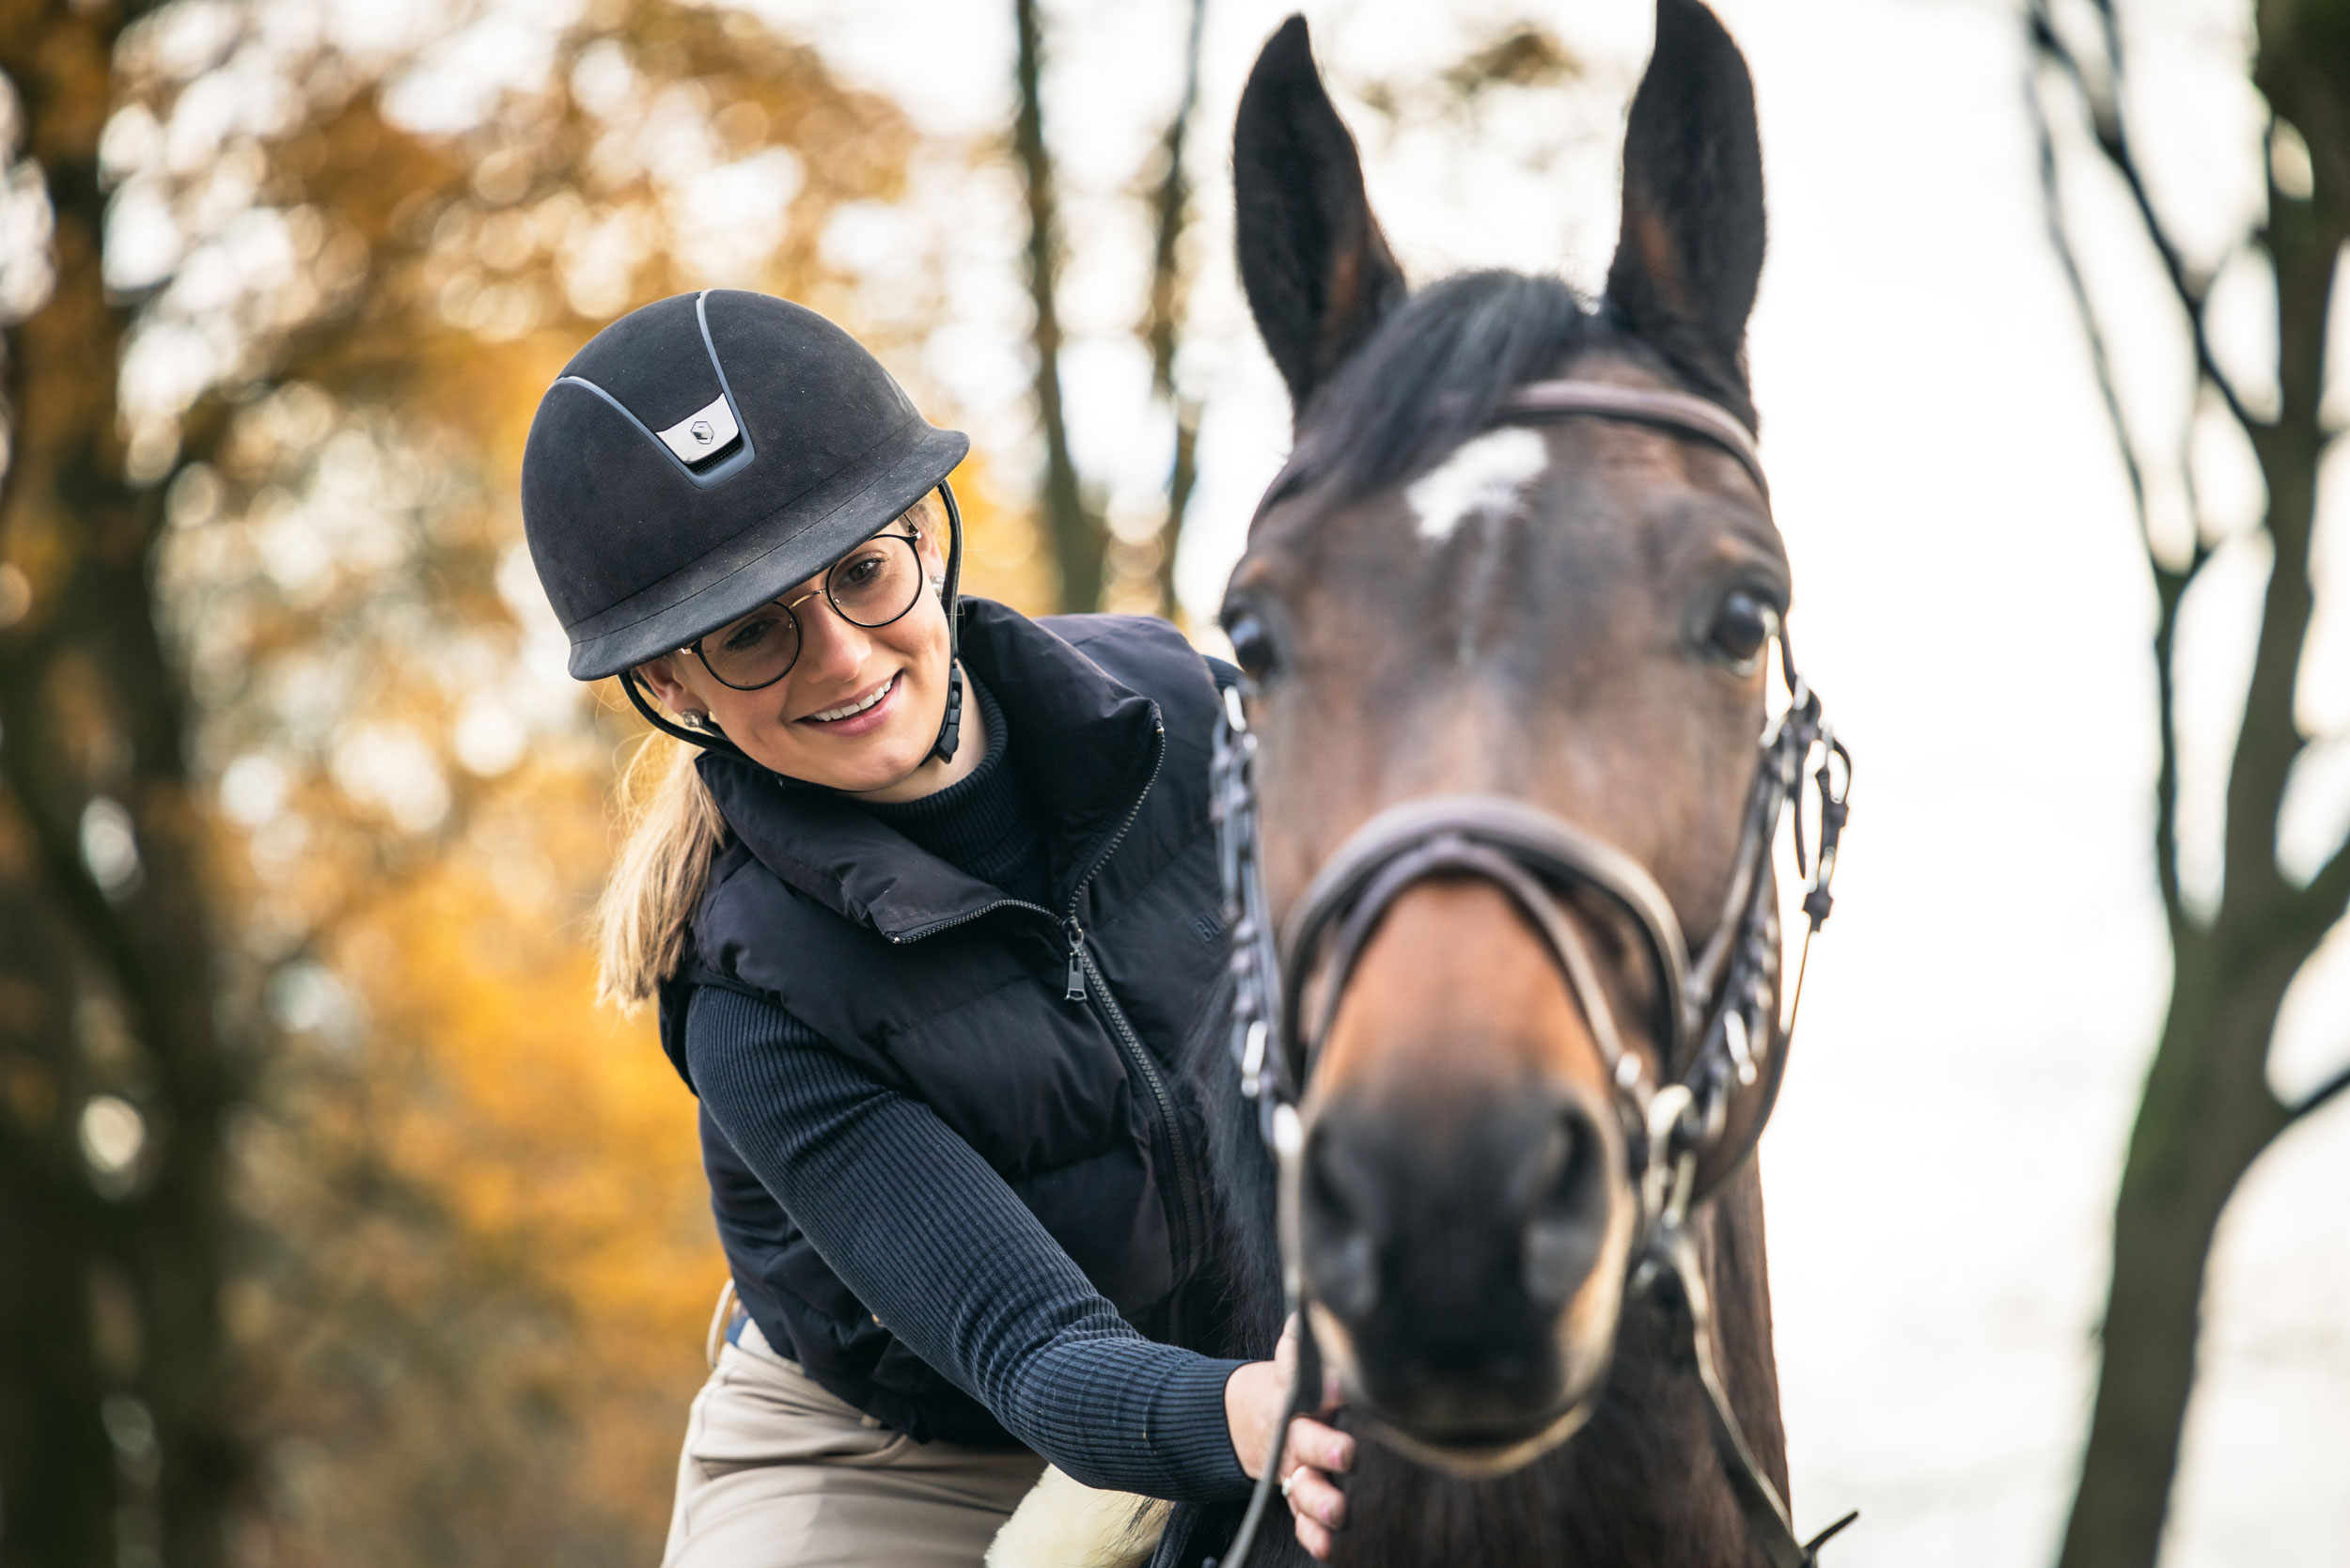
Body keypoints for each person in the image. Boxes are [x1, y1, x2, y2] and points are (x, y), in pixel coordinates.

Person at [519, 290, 1351, 1568]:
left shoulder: (1192, 722)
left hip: (1250, 1341)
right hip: (916, 1449)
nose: (844, 661)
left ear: (926, 538)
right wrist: (1251, 1413)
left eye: (863, 573)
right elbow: (1033, 1352)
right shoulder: (751, 999)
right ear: (670, 685)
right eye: (755, 635)